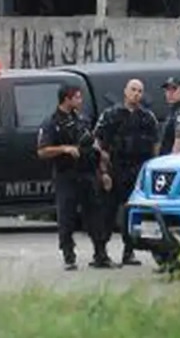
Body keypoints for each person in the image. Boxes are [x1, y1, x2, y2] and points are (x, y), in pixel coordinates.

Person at [37, 85, 116, 270]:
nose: (81, 101)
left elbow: (93, 146)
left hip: (87, 174)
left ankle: (101, 254)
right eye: (78, 98)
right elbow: (42, 151)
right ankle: (69, 255)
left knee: (96, 215)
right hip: (67, 176)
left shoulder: (82, 120)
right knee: (67, 217)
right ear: (67, 99)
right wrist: (64, 148)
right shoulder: (51, 123)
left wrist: (103, 170)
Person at [94, 79, 159, 266]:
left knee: (131, 213)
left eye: (140, 90)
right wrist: (104, 171)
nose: (136, 94)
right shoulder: (111, 115)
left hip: (137, 171)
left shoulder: (148, 117)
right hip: (115, 169)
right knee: (107, 212)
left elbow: (155, 146)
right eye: (133, 90)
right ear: (125, 91)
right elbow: (98, 144)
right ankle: (100, 253)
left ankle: (128, 252)